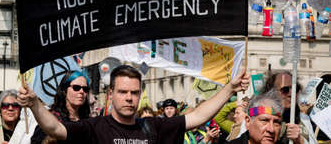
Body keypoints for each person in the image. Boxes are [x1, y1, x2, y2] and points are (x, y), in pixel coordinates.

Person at [18, 64, 250, 144]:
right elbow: (55, 129)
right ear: (111, 94)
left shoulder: (153, 126)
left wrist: (229, 88)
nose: (129, 97)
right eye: (122, 92)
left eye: (134, 92)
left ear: (140, 95)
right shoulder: (94, 127)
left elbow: (198, 117)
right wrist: (34, 104)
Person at [30, 70, 91, 144]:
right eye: (76, 88)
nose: (81, 91)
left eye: (85, 89)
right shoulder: (50, 118)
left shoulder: (89, 121)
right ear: (65, 91)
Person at [262, 71, 309, 144]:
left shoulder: (304, 119)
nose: (291, 94)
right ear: (271, 92)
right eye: (285, 90)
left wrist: (299, 141)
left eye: (295, 89)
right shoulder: (257, 116)